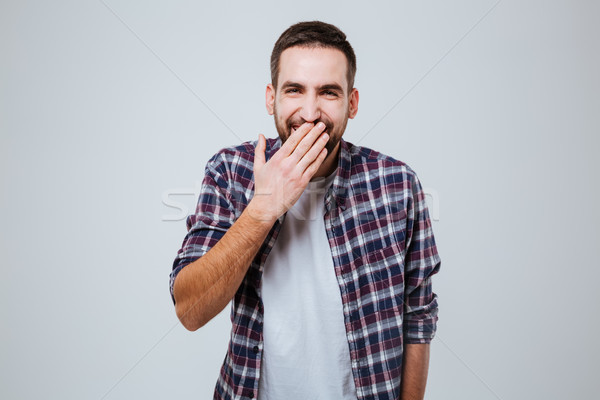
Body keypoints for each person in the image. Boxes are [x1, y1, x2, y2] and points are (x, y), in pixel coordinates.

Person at [170, 21, 440, 400]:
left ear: (352, 103)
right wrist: (263, 209)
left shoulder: (398, 183)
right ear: (271, 98)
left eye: (329, 92)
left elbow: (418, 316)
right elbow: (190, 311)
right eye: (294, 90)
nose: (310, 113)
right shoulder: (229, 172)